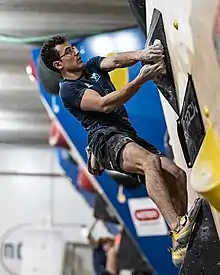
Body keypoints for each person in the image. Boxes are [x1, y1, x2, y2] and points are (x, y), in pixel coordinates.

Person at [40, 35, 202, 267]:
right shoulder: (68, 90)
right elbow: (105, 104)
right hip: (104, 139)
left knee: (177, 175)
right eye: (68, 51)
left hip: (126, 133)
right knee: (150, 163)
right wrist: (140, 79)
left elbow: (115, 61)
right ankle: (178, 228)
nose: (75, 51)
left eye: (73, 48)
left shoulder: (92, 65)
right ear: (59, 64)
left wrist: (142, 55)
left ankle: (181, 241)